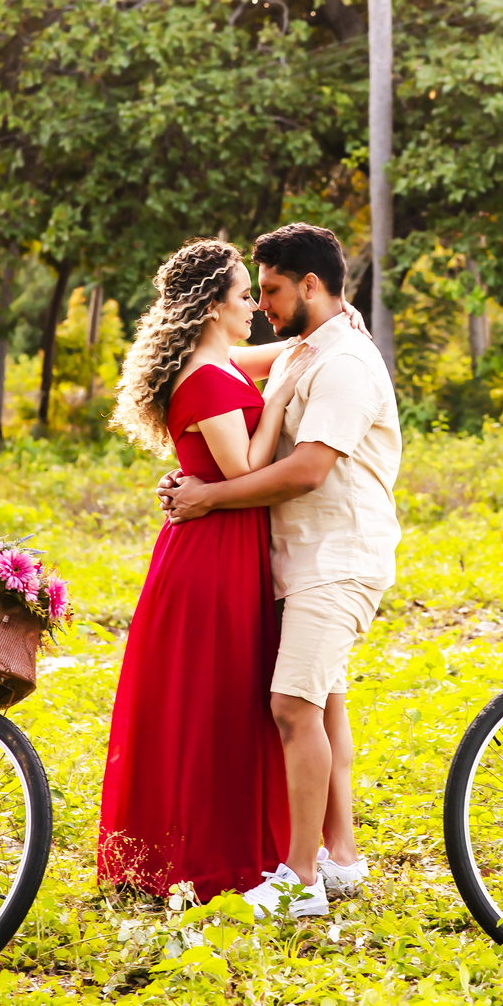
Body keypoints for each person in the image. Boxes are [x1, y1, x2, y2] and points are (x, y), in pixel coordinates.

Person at [161, 223, 402, 921]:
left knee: (292, 706)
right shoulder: (308, 346)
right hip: (302, 560)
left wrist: (208, 496)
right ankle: (342, 857)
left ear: (310, 286)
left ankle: (300, 880)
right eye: (255, 290)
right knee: (323, 700)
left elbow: (306, 470)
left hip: (337, 559)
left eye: (270, 289)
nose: (262, 302)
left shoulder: (344, 364)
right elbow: (227, 357)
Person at [97, 237, 307, 900]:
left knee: (218, 699)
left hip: (220, 545)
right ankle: (201, 856)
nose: (255, 306)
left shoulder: (216, 360)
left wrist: (331, 329)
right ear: (215, 304)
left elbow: (283, 352)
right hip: (212, 557)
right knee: (210, 702)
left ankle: (191, 845)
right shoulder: (210, 376)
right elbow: (246, 467)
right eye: (246, 295)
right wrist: (275, 401)